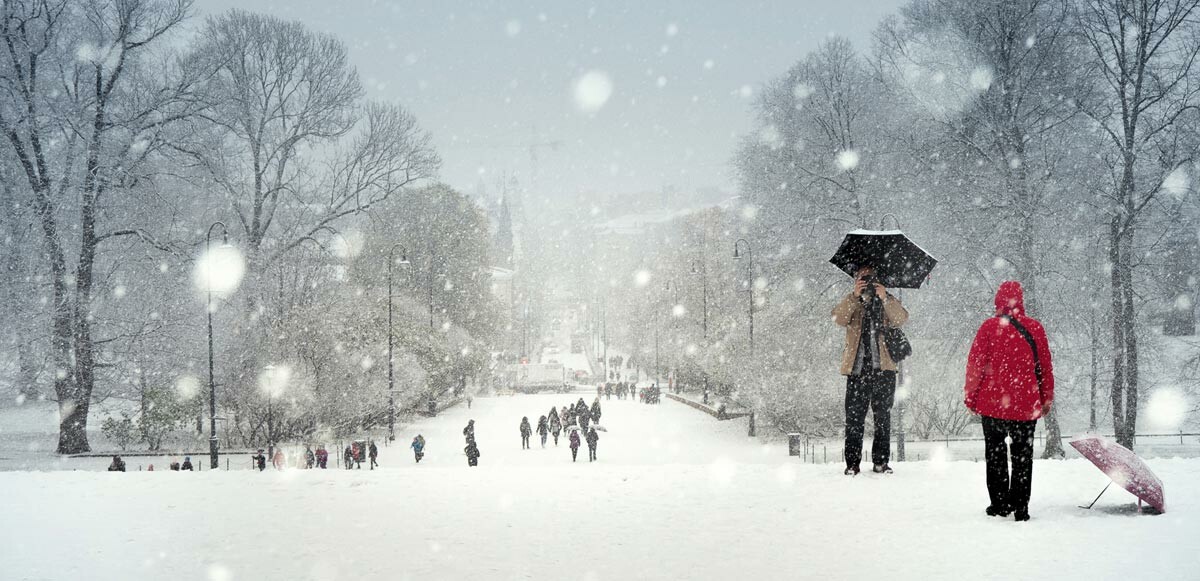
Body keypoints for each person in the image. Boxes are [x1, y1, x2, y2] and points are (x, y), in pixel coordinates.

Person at [964, 281, 1054, 522]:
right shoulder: (1035, 328)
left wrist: (971, 397)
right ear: (1021, 300)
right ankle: (1021, 506)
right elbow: (1044, 367)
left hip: (992, 404)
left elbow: (975, 366)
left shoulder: (988, 328)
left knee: (995, 455)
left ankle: (1000, 504)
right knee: (1022, 456)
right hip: (1026, 406)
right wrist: (1046, 398)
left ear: (998, 301)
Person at [831, 265, 909, 476]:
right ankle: (852, 463)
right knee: (854, 419)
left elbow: (901, 318)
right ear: (856, 279)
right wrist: (854, 296)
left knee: (883, 418)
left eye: (871, 278)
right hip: (857, 371)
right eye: (862, 277)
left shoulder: (887, 300)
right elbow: (838, 318)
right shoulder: (854, 302)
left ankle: (881, 462)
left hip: (883, 370)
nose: (867, 281)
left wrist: (885, 298)